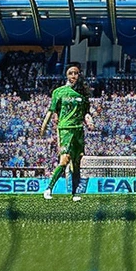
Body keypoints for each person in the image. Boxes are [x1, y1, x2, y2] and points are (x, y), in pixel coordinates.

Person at [41, 63, 94, 201]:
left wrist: (89, 120)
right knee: (65, 160)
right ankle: (48, 188)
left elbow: (86, 113)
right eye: (70, 73)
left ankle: (75, 193)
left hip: (79, 131)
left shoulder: (83, 94)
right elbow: (51, 111)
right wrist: (43, 127)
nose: (73, 76)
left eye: (76, 73)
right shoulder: (59, 92)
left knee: (77, 163)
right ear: (66, 75)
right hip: (65, 130)